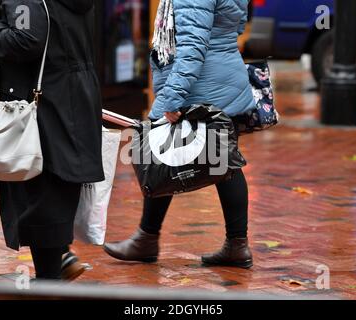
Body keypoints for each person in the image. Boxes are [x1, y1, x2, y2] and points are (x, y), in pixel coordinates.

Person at [104, 0, 256, 269]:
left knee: (161, 154)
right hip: (221, 75)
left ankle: (147, 239)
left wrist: (172, 98)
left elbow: (193, 47)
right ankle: (235, 245)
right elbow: (234, 25)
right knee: (223, 162)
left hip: (203, 83)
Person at [0, 0, 104, 280]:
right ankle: (56, 264)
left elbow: (25, 40)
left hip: (38, 112)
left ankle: (50, 278)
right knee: (52, 197)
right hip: (66, 104)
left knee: (39, 198)